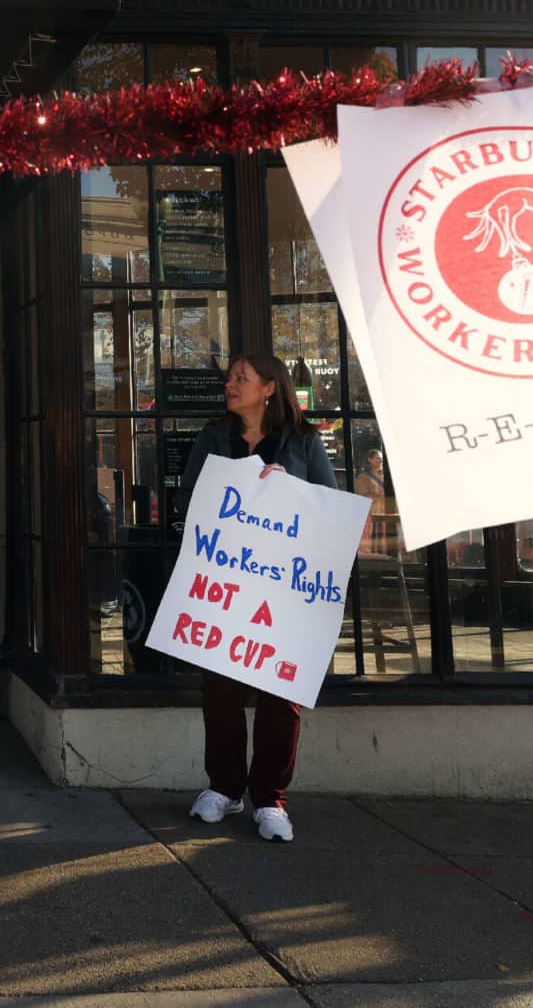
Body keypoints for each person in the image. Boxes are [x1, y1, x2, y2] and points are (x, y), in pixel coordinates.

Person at [175, 352, 338, 844]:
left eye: (241, 378)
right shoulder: (212, 437)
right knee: (220, 691)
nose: (230, 384)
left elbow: (328, 506)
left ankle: (270, 798)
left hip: (283, 588)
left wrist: (290, 490)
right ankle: (223, 788)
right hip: (226, 587)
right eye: (230, 378)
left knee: (279, 695)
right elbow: (188, 500)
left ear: (269, 388)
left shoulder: (304, 441)